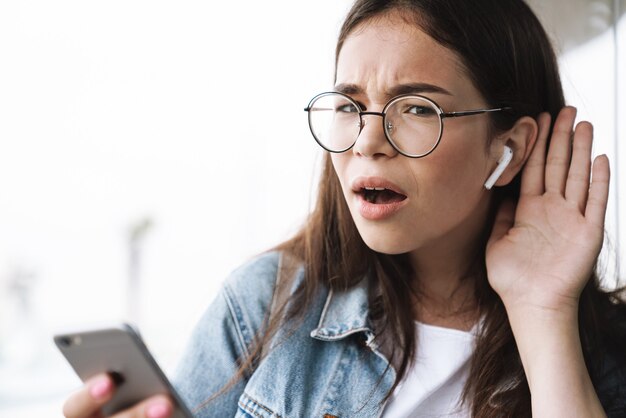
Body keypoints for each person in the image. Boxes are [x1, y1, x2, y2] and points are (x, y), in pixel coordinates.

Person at [62, 0, 626, 417]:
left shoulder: (597, 343)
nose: (366, 141)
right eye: (351, 106)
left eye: (416, 107)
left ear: (508, 146)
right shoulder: (264, 303)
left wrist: (542, 311)